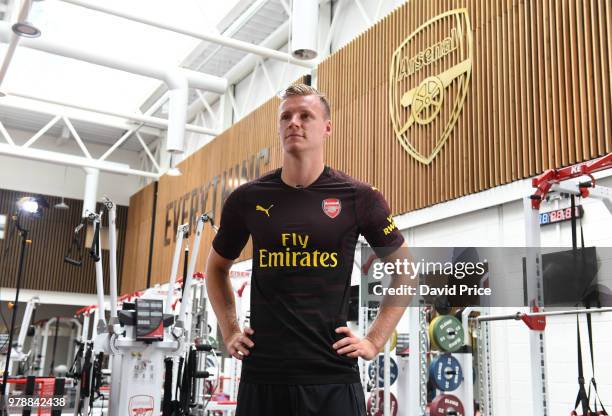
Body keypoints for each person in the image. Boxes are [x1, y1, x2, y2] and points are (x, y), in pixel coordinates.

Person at [206, 84, 410, 415]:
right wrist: (229, 329)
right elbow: (216, 269)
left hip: (331, 378)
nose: (294, 123)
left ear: (327, 127)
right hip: (264, 378)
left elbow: (405, 273)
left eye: (305, 115)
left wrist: (374, 340)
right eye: (286, 116)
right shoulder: (247, 199)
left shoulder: (359, 197)